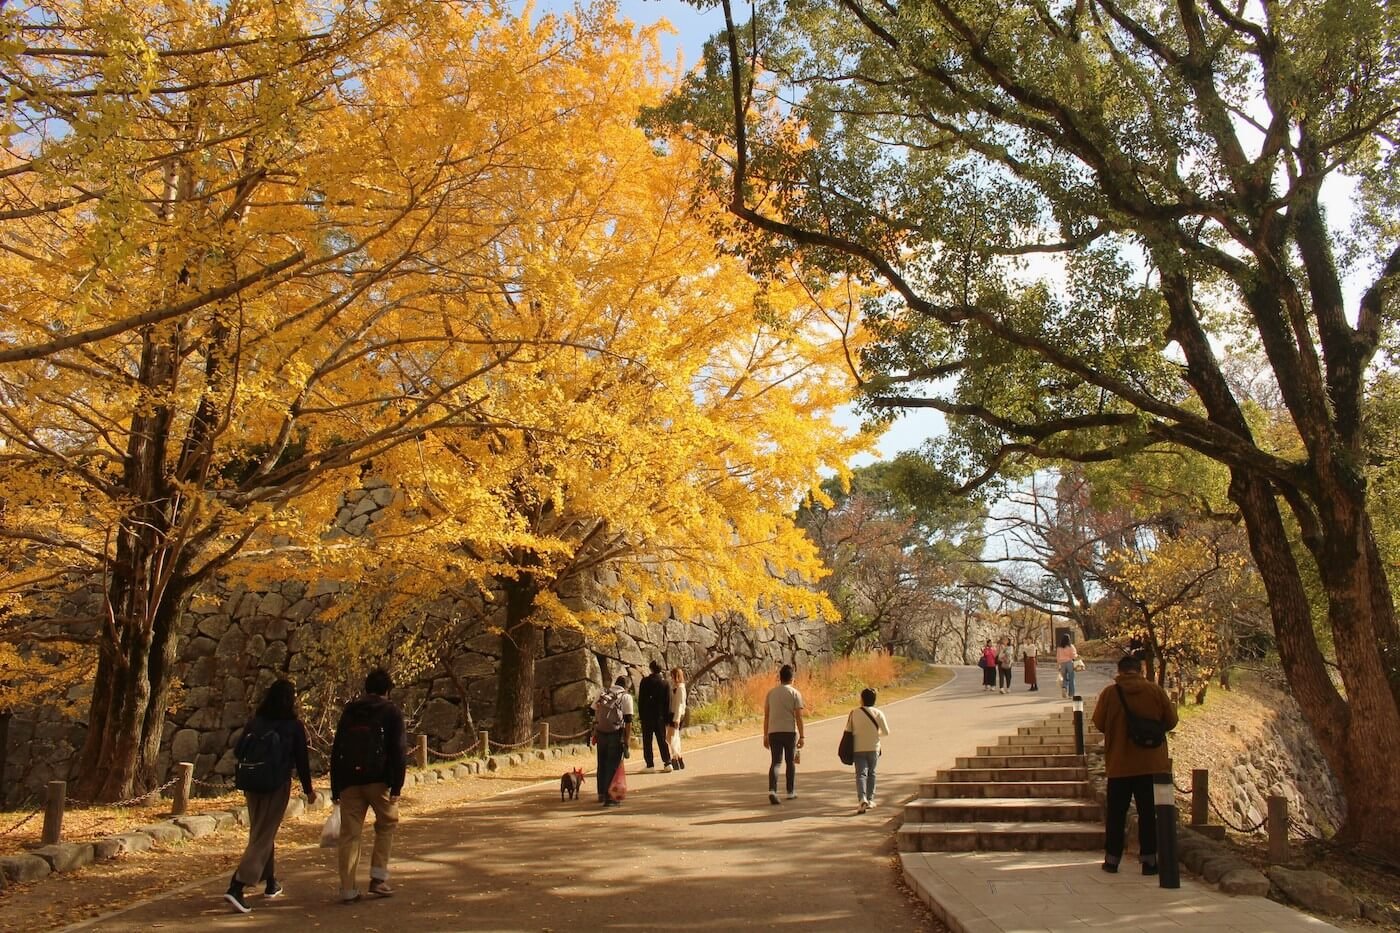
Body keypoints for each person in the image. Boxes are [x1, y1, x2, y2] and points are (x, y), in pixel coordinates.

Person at [224, 679, 316, 914]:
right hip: (276, 784)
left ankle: (271, 881)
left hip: (252, 783)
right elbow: (302, 760)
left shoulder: (255, 723)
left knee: (261, 831)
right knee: (264, 835)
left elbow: (238, 751)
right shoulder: (293, 726)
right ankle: (237, 884)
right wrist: (308, 789)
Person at [1092, 655, 1179, 875]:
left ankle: (1112, 860)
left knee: (1116, 813)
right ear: (1140, 670)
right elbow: (1171, 721)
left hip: (1120, 763)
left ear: (1119, 671)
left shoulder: (1110, 694)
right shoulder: (1155, 691)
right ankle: (1150, 861)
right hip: (1151, 763)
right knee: (1149, 813)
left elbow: (1099, 722)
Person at [331, 667, 407, 903]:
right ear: (387, 690)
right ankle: (378, 878)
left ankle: (347, 888)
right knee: (386, 825)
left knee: (349, 835)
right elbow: (398, 750)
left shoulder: (350, 711)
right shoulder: (391, 712)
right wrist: (397, 786)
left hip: (349, 782)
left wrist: (335, 787)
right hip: (379, 780)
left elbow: (337, 749)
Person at [762, 664, 805, 805]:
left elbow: (766, 716)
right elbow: (798, 716)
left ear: (779, 678)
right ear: (792, 678)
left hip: (774, 731)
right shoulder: (795, 693)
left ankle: (772, 790)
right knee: (790, 762)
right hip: (789, 732)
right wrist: (802, 736)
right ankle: (790, 791)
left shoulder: (771, 693)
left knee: (776, 762)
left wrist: (765, 735)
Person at [593, 675, 635, 807]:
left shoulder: (602, 692)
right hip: (615, 734)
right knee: (613, 764)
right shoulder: (625, 697)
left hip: (600, 733)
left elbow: (592, 710)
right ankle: (610, 798)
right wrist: (626, 740)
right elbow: (628, 721)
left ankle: (601, 793)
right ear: (627, 687)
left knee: (602, 763)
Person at [847, 687, 890, 814]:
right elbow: (886, 732)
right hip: (873, 747)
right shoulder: (878, 713)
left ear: (862, 699)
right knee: (872, 773)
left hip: (858, 748)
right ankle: (870, 800)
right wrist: (876, 734)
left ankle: (862, 798)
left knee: (861, 774)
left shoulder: (854, 713)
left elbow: (848, 730)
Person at [638, 660, 673, 772]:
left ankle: (650, 764)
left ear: (651, 668)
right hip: (660, 716)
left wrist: (641, 715)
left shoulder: (645, 681)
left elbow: (641, 700)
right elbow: (668, 702)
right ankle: (667, 762)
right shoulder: (665, 683)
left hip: (647, 716)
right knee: (662, 740)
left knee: (647, 741)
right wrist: (667, 718)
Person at [667, 667, 687, 771]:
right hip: (676, 714)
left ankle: (676, 757)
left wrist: (677, 719)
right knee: (674, 737)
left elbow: (680, 704)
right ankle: (678, 757)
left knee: (671, 737)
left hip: (676, 715)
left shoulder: (680, 688)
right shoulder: (678, 687)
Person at [1056, 633, 1080, 698]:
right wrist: (1077, 657)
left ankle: (1064, 688)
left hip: (1062, 664)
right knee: (1071, 679)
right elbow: (1073, 655)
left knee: (1064, 678)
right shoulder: (1071, 646)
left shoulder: (1059, 648)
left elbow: (1058, 657)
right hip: (1069, 663)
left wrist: (1058, 665)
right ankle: (1071, 694)